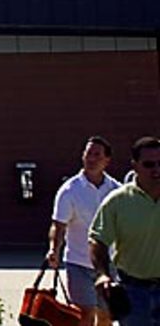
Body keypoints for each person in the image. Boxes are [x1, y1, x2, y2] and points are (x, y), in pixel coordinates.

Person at [47, 137, 120, 326]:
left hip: (108, 264)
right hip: (78, 263)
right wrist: (54, 249)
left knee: (106, 316)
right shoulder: (69, 190)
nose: (91, 159)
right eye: (88, 154)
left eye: (97, 155)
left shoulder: (116, 190)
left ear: (107, 160)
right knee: (83, 315)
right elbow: (59, 225)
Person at [90, 136, 160, 326]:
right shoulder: (118, 201)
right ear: (135, 166)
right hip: (133, 291)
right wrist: (102, 274)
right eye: (149, 164)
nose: (157, 169)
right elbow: (98, 240)